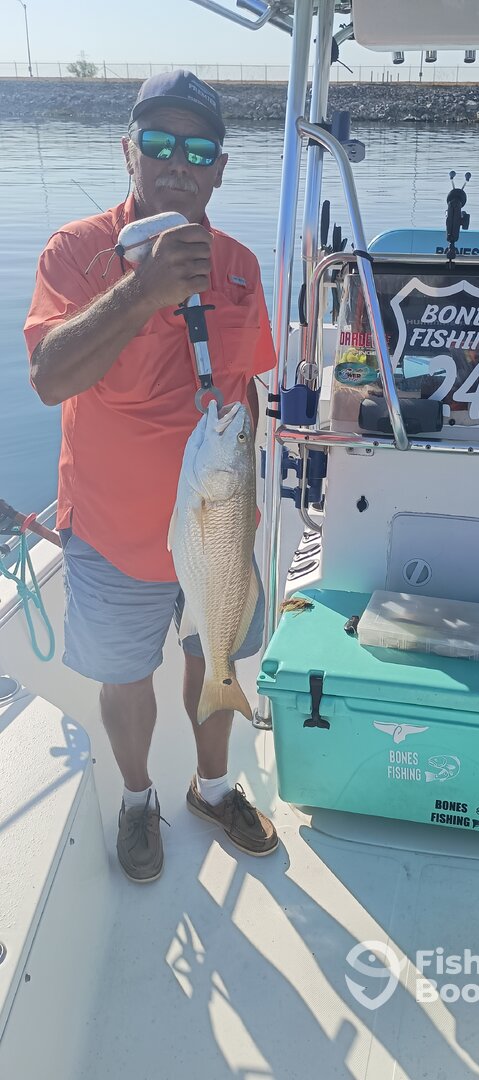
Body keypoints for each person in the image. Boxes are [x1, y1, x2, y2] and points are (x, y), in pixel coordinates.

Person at [24, 70, 279, 882]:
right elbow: (49, 378)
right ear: (128, 151)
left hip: (219, 526)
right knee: (127, 678)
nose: (178, 163)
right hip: (113, 533)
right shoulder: (77, 252)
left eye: (199, 150)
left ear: (220, 170)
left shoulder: (240, 266)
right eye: (160, 143)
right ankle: (138, 799)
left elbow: (243, 389)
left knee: (215, 656)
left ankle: (213, 788)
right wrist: (144, 290)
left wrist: (240, 503)